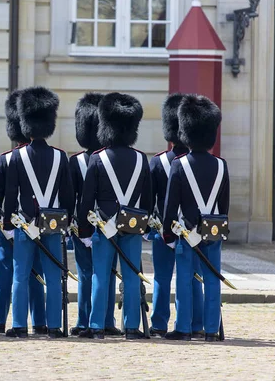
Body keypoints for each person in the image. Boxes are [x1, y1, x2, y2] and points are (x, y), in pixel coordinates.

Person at [77, 92, 152, 340]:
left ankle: (97, 326)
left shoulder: (97, 159)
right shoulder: (141, 159)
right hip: (132, 227)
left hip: (104, 227)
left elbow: (87, 199)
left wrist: (85, 232)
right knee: (131, 277)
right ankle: (131, 327)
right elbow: (148, 198)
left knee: (101, 276)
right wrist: (142, 225)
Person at [3, 86, 73, 339]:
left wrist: (8, 224)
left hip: (24, 223)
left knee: (20, 276)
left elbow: (10, 194)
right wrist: (67, 220)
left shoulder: (17, 157)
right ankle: (54, 326)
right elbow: (67, 195)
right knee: (53, 277)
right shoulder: (60, 156)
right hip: (53, 224)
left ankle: (20, 325)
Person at [162, 94, 229, 342]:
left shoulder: (179, 165)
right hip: (213, 231)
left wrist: (168, 233)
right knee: (212, 280)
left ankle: (184, 328)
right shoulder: (221, 165)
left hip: (186, 232)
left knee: (185, 281)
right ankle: (211, 330)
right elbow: (224, 206)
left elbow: (171, 205)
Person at [0, 90, 47, 335]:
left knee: (8, 274)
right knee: (36, 274)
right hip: (41, 224)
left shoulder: (7, 158)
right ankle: (41, 321)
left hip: (12, 224)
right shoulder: (50, 156)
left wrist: (1, 223)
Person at [149, 93, 204, 338]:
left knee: (162, 277)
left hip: (164, 227)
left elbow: (149, 199)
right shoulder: (198, 162)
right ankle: (195, 322)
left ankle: (159, 323)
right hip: (192, 229)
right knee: (193, 277)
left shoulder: (158, 162)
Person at [68, 92, 120, 336]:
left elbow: (72, 198)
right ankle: (106, 319)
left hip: (83, 224)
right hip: (109, 224)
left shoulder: (77, 161)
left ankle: (85, 320)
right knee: (107, 272)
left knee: (87, 274)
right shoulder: (110, 159)